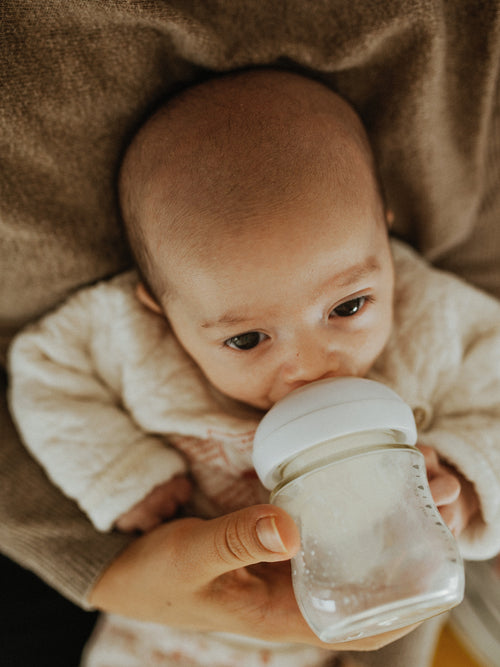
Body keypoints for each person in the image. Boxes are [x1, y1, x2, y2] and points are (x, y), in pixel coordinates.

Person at [7, 69, 500, 666]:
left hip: (367, 617)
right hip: (169, 638)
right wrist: (121, 472)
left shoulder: (435, 319)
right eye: (247, 339)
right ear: (161, 311)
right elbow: (45, 372)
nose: (310, 367)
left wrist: (465, 483)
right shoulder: (129, 341)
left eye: (347, 307)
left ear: (385, 240)